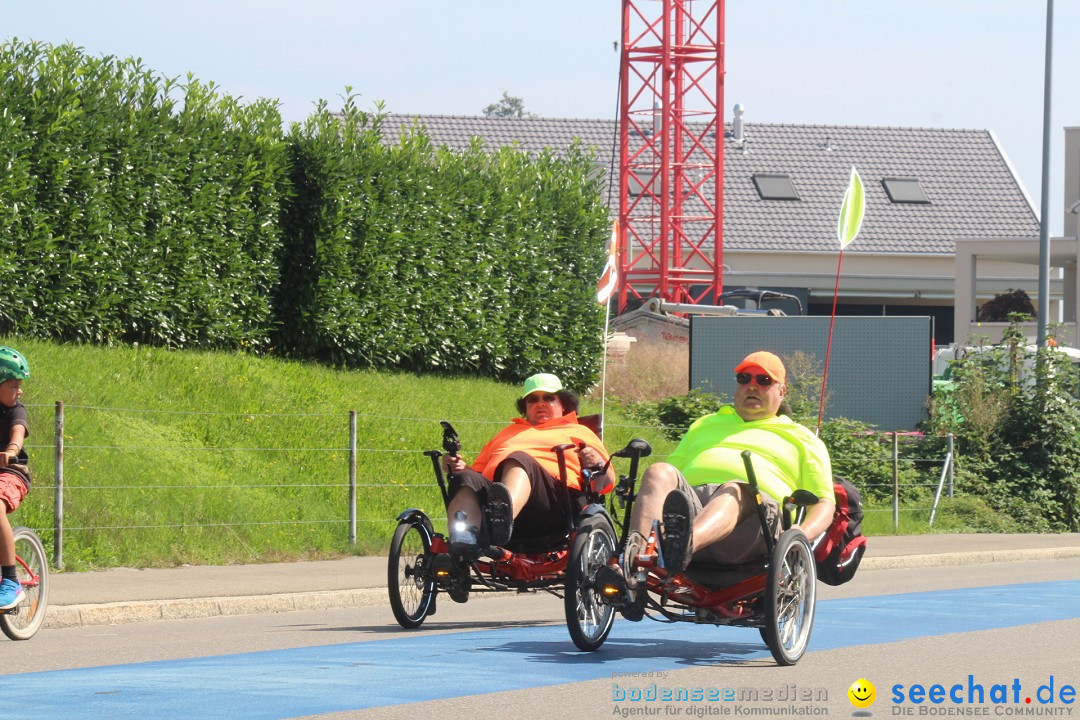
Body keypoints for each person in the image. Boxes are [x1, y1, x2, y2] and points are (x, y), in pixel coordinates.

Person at [615, 351, 835, 617]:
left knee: (735, 488)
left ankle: (681, 547)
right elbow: (672, 476)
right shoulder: (705, 424)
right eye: (744, 378)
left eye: (764, 380)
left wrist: (798, 535)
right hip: (694, 506)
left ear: (781, 392)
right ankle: (634, 564)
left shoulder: (801, 437)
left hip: (755, 523)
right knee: (659, 471)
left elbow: (825, 502)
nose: (752, 385)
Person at [442, 373, 615, 560]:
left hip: (557, 504)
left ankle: (502, 517)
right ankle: (463, 542)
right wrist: (459, 467)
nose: (540, 403)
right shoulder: (506, 433)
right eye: (533, 399)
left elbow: (607, 482)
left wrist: (596, 460)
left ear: (563, 404)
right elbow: (479, 476)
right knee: (465, 480)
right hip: (497, 501)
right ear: (525, 406)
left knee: (518, 459)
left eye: (549, 398)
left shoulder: (579, 431)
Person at [0, 346, 32, 610]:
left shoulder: (15, 410)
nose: (19, 391)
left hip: (11, 472)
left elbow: (18, 434)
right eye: (13, 385)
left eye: (19, 385)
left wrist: (11, 451)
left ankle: (11, 581)